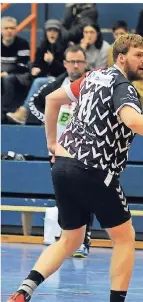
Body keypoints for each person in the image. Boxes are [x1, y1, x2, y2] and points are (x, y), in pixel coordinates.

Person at [5, 33, 143, 302]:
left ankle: (22, 294)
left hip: (63, 166)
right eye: (138, 55)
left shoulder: (93, 77)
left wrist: (52, 144)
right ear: (121, 57)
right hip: (93, 170)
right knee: (124, 238)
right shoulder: (123, 86)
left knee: (70, 239)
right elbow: (133, 120)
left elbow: (52, 99)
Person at [28, 45, 92, 258]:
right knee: (64, 195)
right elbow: (34, 104)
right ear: (65, 64)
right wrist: (51, 125)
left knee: (85, 194)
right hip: (59, 149)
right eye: (72, 61)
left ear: (85, 63)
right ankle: (68, 238)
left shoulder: (92, 86)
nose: (75, 65)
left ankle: (83, 239)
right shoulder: (55, 86)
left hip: (85, 149)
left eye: (79, 61)